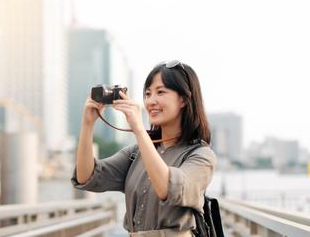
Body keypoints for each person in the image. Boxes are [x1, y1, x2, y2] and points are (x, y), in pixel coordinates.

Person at [71, 60, 216, 237]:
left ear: (184, 99)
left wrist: (139, 129)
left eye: (160, 92)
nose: (150, 101)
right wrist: (87, 124)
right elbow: (86, 176)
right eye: (147, 94)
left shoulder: (201, 155)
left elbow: (168, 188)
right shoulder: (135, 153)